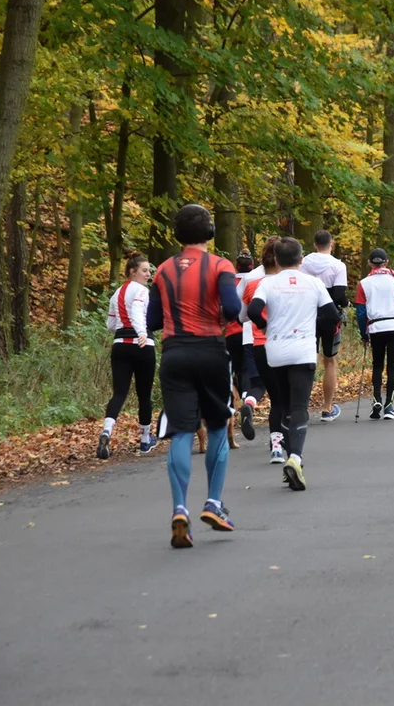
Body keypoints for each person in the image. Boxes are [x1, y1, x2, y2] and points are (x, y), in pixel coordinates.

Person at [148, 204, 242, 548]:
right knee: (217, 425)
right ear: (210, 233)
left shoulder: (162, 270)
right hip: (210, 352)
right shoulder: (220, 265)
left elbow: (154, 320)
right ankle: (214, 504)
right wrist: (216, 313)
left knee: (181, 430)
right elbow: (233, 308)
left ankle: (179, 510)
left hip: (174, 354)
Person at [246, 237, 341, 490]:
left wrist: (266, 326)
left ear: (276, 259)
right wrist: (312, 325)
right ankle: (295, 458)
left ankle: (289, 462)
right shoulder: (314, 283)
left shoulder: (267, 283)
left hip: (275, 350)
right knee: (299, 406)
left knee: (283, 404)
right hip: (302, 350)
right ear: (301, 259)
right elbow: (333, 315)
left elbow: (254, 311)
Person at [97, 253, 157, 459]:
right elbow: (138, 310)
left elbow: (111, 324)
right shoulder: (141, 290)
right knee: (144, 394)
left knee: (119, 393)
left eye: (149, 271)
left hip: (120, 345)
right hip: (142, 345)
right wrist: (141, 332)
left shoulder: (116, 294)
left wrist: (124, 331)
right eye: (144, 270)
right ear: (132, 271)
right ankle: (145, 440)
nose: (148, 274)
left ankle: (106, 431)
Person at [355, 248, 394, 420]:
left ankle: (376, 400)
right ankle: (389, 406)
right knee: (392, 366)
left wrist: (363, 334)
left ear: (369, 264)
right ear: (386, 262)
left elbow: (360, 311)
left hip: (376, 328)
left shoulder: (363, 283)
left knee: (377, 365)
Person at [299, 230, 348, 422]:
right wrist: (347, 304)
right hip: (329, 317)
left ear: (314, 244)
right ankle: (327, 408)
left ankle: (300, 407)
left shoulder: (303, 263)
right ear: (332, 244)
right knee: (329, 361)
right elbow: (339, 297)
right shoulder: (338, 266)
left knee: (306, 362)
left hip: (307, 315)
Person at [239, 237, 280, 453]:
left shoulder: (251, 280)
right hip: (281, 343)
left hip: (253, 341)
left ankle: (250, 402)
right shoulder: (291, 281)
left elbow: (242, 316)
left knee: (259, 384)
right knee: (282, 397)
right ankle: (280, 445)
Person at [226, 250, 255, 401]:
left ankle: (233, 399)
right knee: (247, 369)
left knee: (235, 368)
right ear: (252, 265)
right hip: (250, 333)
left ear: (236, 266)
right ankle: (247, 397)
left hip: (231, 333)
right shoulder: (255, 281)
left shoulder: (229, 284)